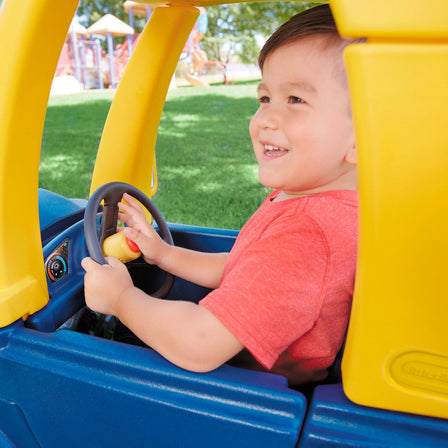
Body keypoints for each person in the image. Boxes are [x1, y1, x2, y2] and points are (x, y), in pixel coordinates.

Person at [82, 4, 360, 386]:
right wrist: (164, 253)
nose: (264, 119)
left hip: (246, 394)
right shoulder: (307, 201)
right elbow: (244, 268)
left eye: (295, 100)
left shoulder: (308, 233)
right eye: (264, 99)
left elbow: (199, 343)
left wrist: (120, 300)